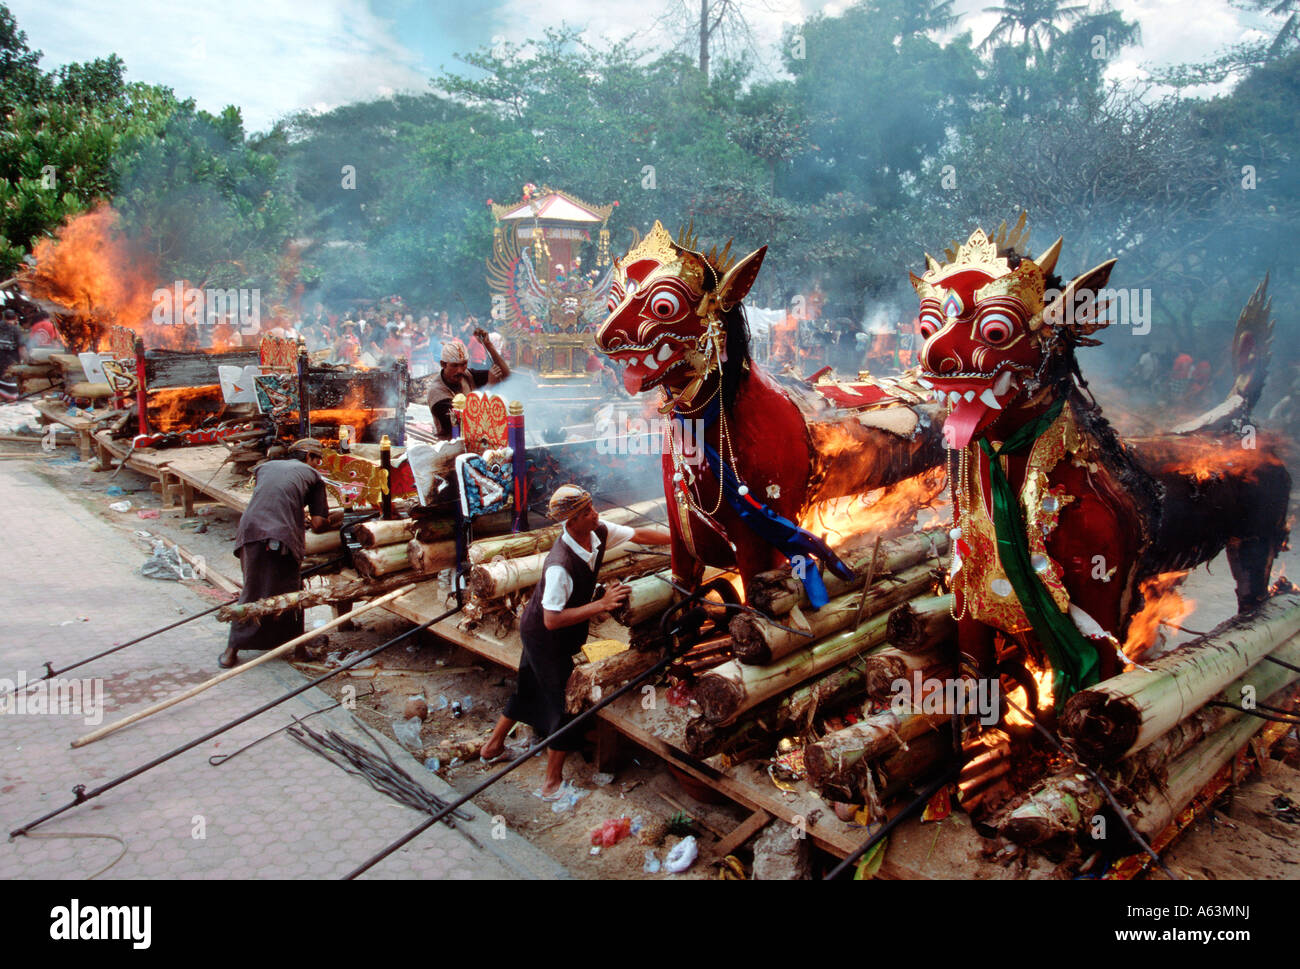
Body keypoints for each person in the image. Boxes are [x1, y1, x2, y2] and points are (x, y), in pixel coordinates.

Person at [479, 485, 671, 797]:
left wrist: (679, 543)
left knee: (528, 685)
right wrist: (602, 604)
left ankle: (492, 746)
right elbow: (551, 620)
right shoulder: (560, 565)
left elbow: (639, 535)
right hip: (545, 635)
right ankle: (552, 782)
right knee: (566, 705)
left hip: (546, 631)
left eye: (592, 507)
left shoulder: (597, 532)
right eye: (586, 512)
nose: (595, 514)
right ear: (570, 522)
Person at [220, 439, 335, 669]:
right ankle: (297, 650)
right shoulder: (313, 477)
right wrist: (334, 519)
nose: (318, 464)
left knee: (252, 588)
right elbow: (319, 524)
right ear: (309, 456)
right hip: (280, 538)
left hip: (249, 532)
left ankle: (233, 651)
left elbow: (272, 499)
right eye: (317, 459)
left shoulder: (265, 467)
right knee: (291, 592)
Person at [426, 327, 511, 439]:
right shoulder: (437, 392)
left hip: (478, 438)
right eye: (455, 365)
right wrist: (489, 387)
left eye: (463, 364)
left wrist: (488, 345)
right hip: (452, 444)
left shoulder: (468, 374)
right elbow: (463, 425)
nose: (460, 370)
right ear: (443, 364)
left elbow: (505, 375)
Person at [0, 308, 23, 401]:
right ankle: (10, 397)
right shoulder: (16, 329)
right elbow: (21, 346)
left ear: (3, 317)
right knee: (9, 376)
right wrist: (23, 360)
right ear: (15, 318)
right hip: (11, 357)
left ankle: (1, 397)